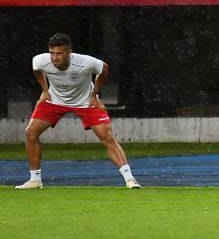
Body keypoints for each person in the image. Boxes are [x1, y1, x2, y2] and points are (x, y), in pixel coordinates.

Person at [18, 33, 139, 189]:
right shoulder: (40, 60)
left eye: (59, 54)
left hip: (85, 102)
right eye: (52, 53)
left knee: (107, 137)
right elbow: (36, 70)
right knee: (30, 133)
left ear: (69, 52)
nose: (54, 58)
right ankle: (35, 180)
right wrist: (45, 90)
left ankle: (130, 180)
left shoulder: (86, 62)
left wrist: (95, 94)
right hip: (54, 100)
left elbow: (104, 69)